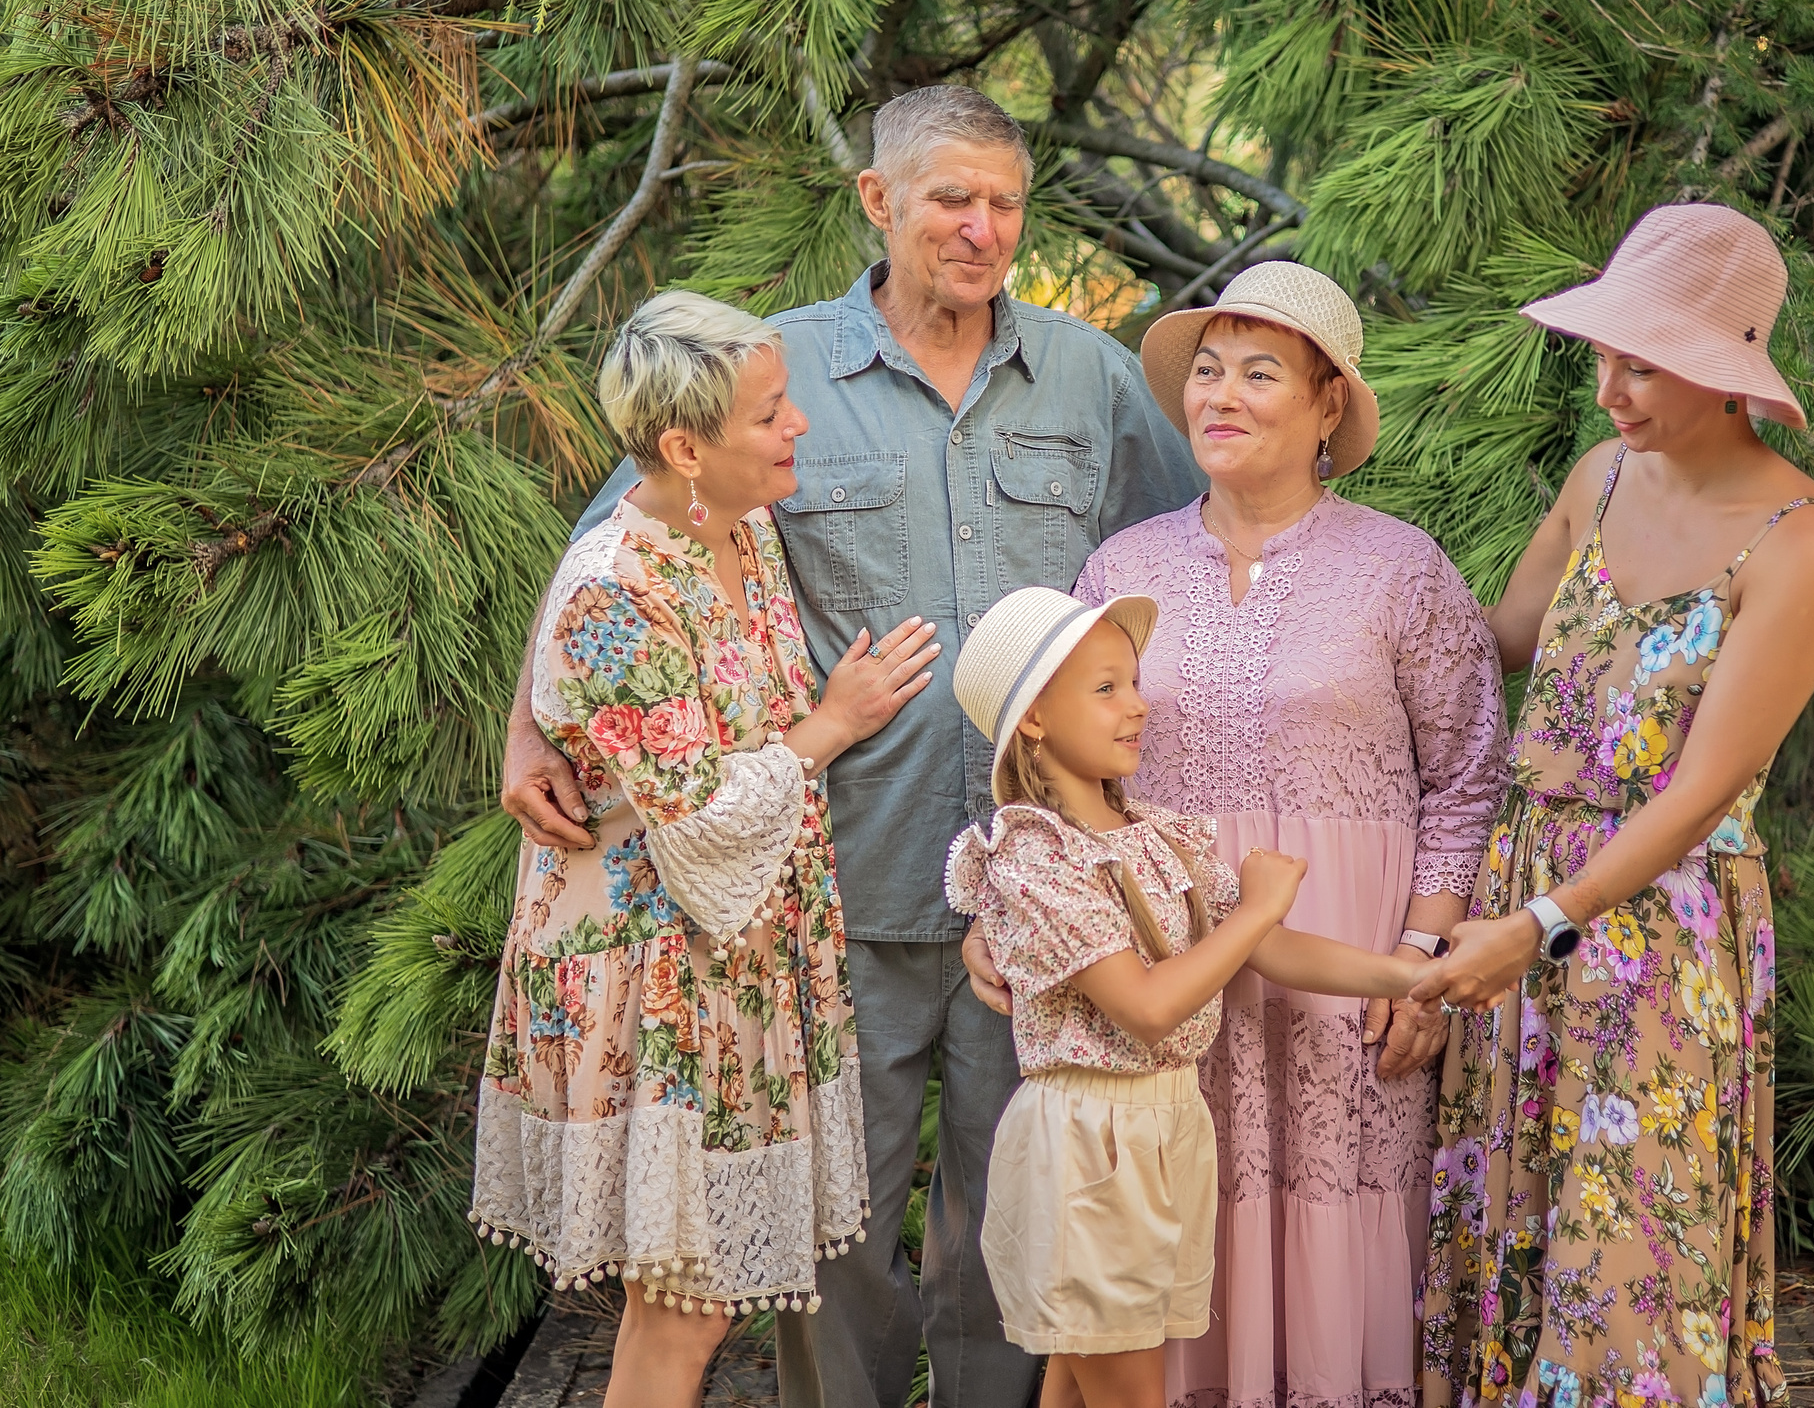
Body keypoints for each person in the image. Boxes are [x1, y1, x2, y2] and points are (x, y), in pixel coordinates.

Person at [500, 86, 1204, 1408]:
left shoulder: (1092, 375)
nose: (983, 228)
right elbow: (611, 547)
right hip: (835, 887)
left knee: (1015, 1219)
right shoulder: (774, 373)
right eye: (952, 197)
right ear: (878, 201)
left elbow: (1188, 556)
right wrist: (530, 725)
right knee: (836, 1233)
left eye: (1005, 201)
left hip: (1038, 890)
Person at [964, 261, 1507, 1408]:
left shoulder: (1401, 569)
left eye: (1261, 372)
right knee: (1159, 1223)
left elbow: (1466, 780)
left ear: (1326, 407)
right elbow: (1048, 765)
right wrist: (1005, 929)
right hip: (1161, 955)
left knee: (1336, 1195)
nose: (1221, 393)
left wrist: (1418, 959)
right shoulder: (1125, 566)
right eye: (1207, 369)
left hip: (1347, 954)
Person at [1406, 205, 1814, 1408]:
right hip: (1523, 892)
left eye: (1640, 363)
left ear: (1723, 373)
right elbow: (1496, 642)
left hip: (1652, 931)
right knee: (1521, 1230)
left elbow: (1704, 793)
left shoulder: (1798, 541)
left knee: (1630, 1257)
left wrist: (1543, 921)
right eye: (1603, 355)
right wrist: (1342, 571)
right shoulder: (1598, 476)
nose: (1607, 388)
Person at [472, 292, 941, 1408]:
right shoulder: (616, 590)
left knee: (697, 1296)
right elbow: (701, 818)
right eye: (771, 416)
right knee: (684, 1301)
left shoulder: (736, 530)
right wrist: (837, 718)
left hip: (732, 963)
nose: (799, 431)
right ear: (686, 447)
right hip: (654, 973)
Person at [942, 586, 1430, 1408]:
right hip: (1091, 1148)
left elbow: (1265, 949)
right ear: (1031, 719)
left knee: (1079, 1377)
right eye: (1105, 689)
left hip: (1167, 1130)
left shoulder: (1157, 832)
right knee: (1126, 1387)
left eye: (1134, 683)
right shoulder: (1033, 856)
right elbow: (1147, 1005)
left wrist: (1412, 974)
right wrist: (1261, 905)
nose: (1137, 707)